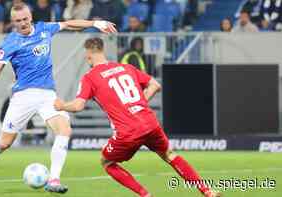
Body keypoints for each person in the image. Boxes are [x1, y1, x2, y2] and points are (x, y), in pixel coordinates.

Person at [0, 3, 117, 194]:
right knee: (5, 143)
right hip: (23, 96)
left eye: (25, 19)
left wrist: (95, 23)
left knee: (64, 130)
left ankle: (54, 180)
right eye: (18, 21)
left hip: (47, 95)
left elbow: (70, 24)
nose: (22, 23)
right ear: (13, 22)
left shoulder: (44, 29)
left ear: (31, 17)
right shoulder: (10, 42)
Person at [53, 37, 221, 197]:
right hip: (149, 122)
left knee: (107, 162)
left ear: (88, 55)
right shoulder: (126, 68)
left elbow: (78, 106)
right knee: (170, 155)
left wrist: (61, 106)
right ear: (102, 50)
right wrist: (139, 103)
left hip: (128, 131)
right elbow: (155, 85)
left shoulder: (90, 77)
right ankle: (207, 191)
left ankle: (144, 194)